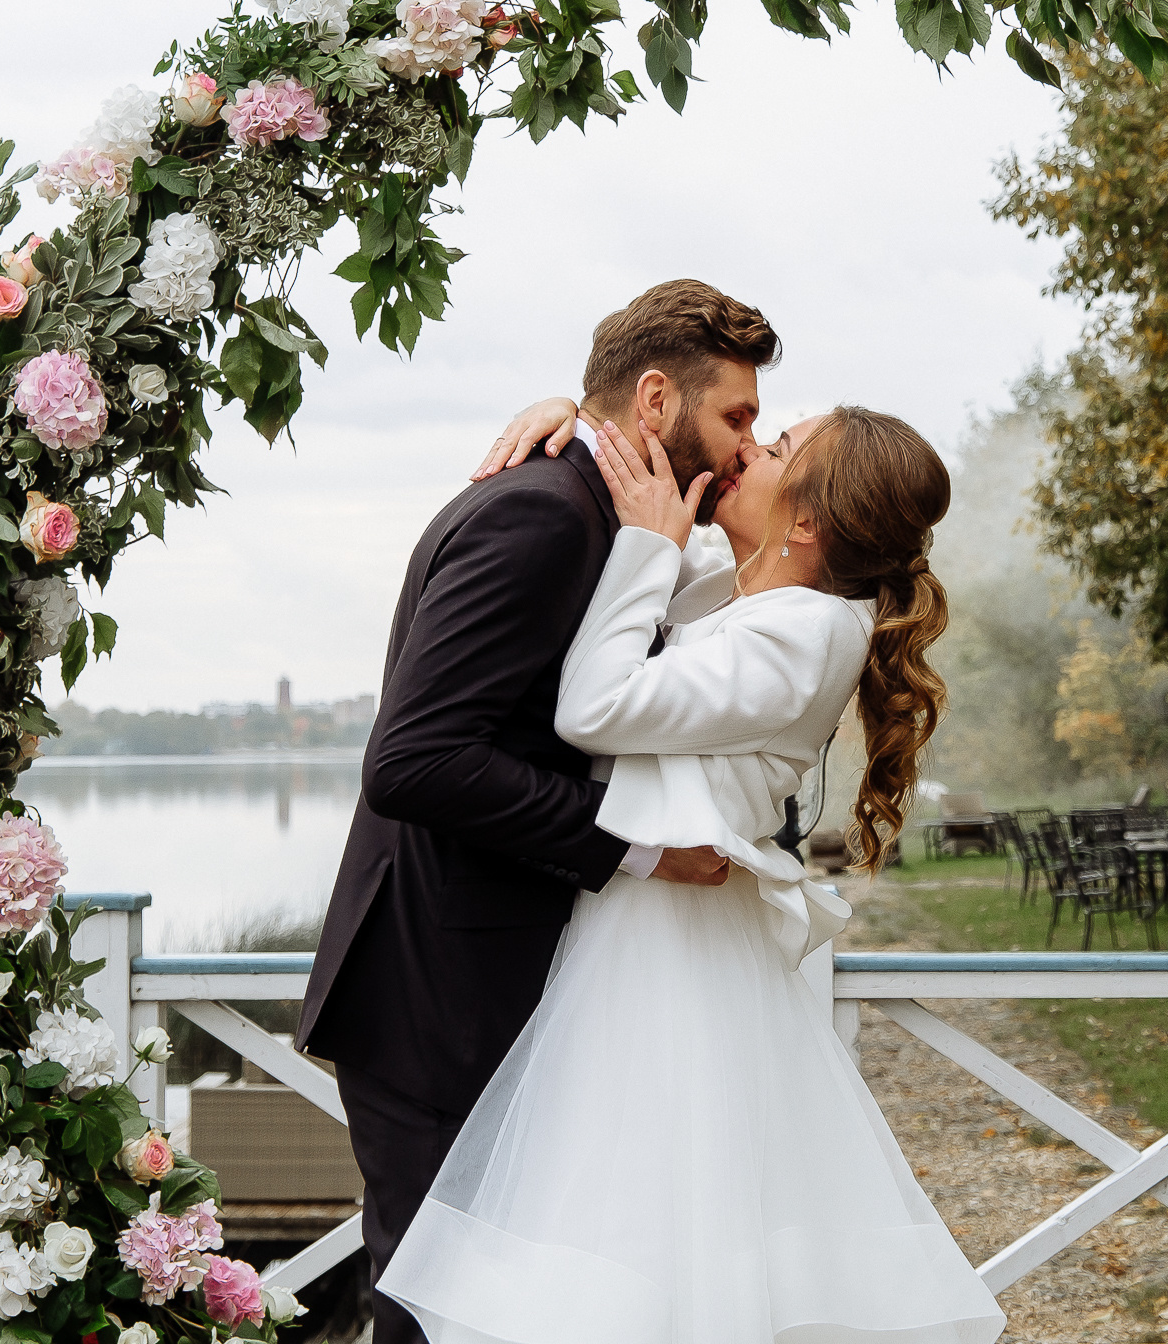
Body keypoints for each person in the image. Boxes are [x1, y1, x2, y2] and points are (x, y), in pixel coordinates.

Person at [376, 398, 1007, 1344]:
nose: (750, 449)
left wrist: (643, 548)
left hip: (668, 962)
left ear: (806, 524)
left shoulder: (805, 636)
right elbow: (679, 542)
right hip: (641, 935)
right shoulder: (763, 596)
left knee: (650, 1237)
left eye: (777, 447)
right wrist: (582, 415)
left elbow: (595, 707)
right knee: (625, 1236)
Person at [294, 280, 784, 1344]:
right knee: (436, 1313)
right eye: (736, 417)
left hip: (492, 984)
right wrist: (640, 852)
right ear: (656, 402)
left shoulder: (603, 514)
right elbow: (417, 761)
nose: (748, 446)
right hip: (441, 994)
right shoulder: (540, 514)